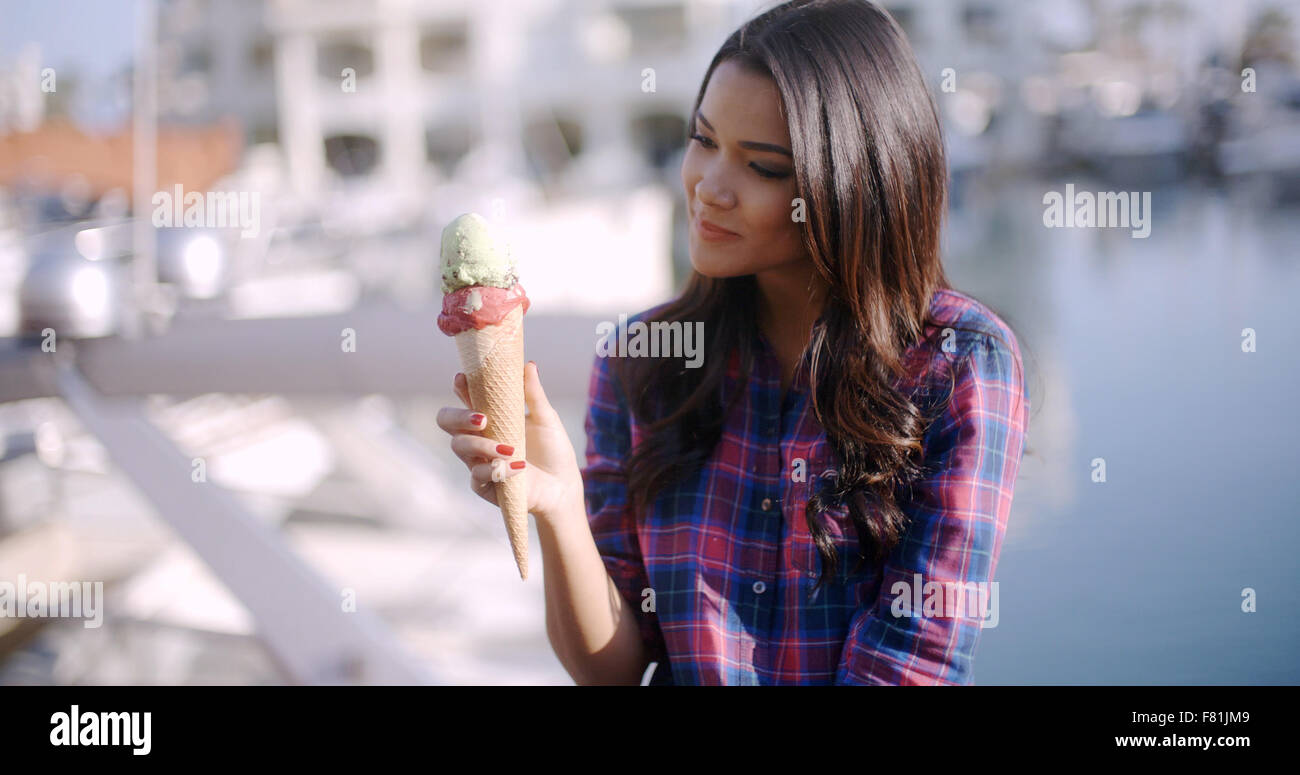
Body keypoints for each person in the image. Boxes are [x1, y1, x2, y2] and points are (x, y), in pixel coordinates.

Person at [437, 0, 1030, 685]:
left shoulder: (959, 364)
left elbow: (913, 663)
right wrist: (559, 503)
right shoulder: (642, 360)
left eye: (764, 167)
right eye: (703, 139)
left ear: (853, 185)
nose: (708, 186)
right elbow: (614, 671)